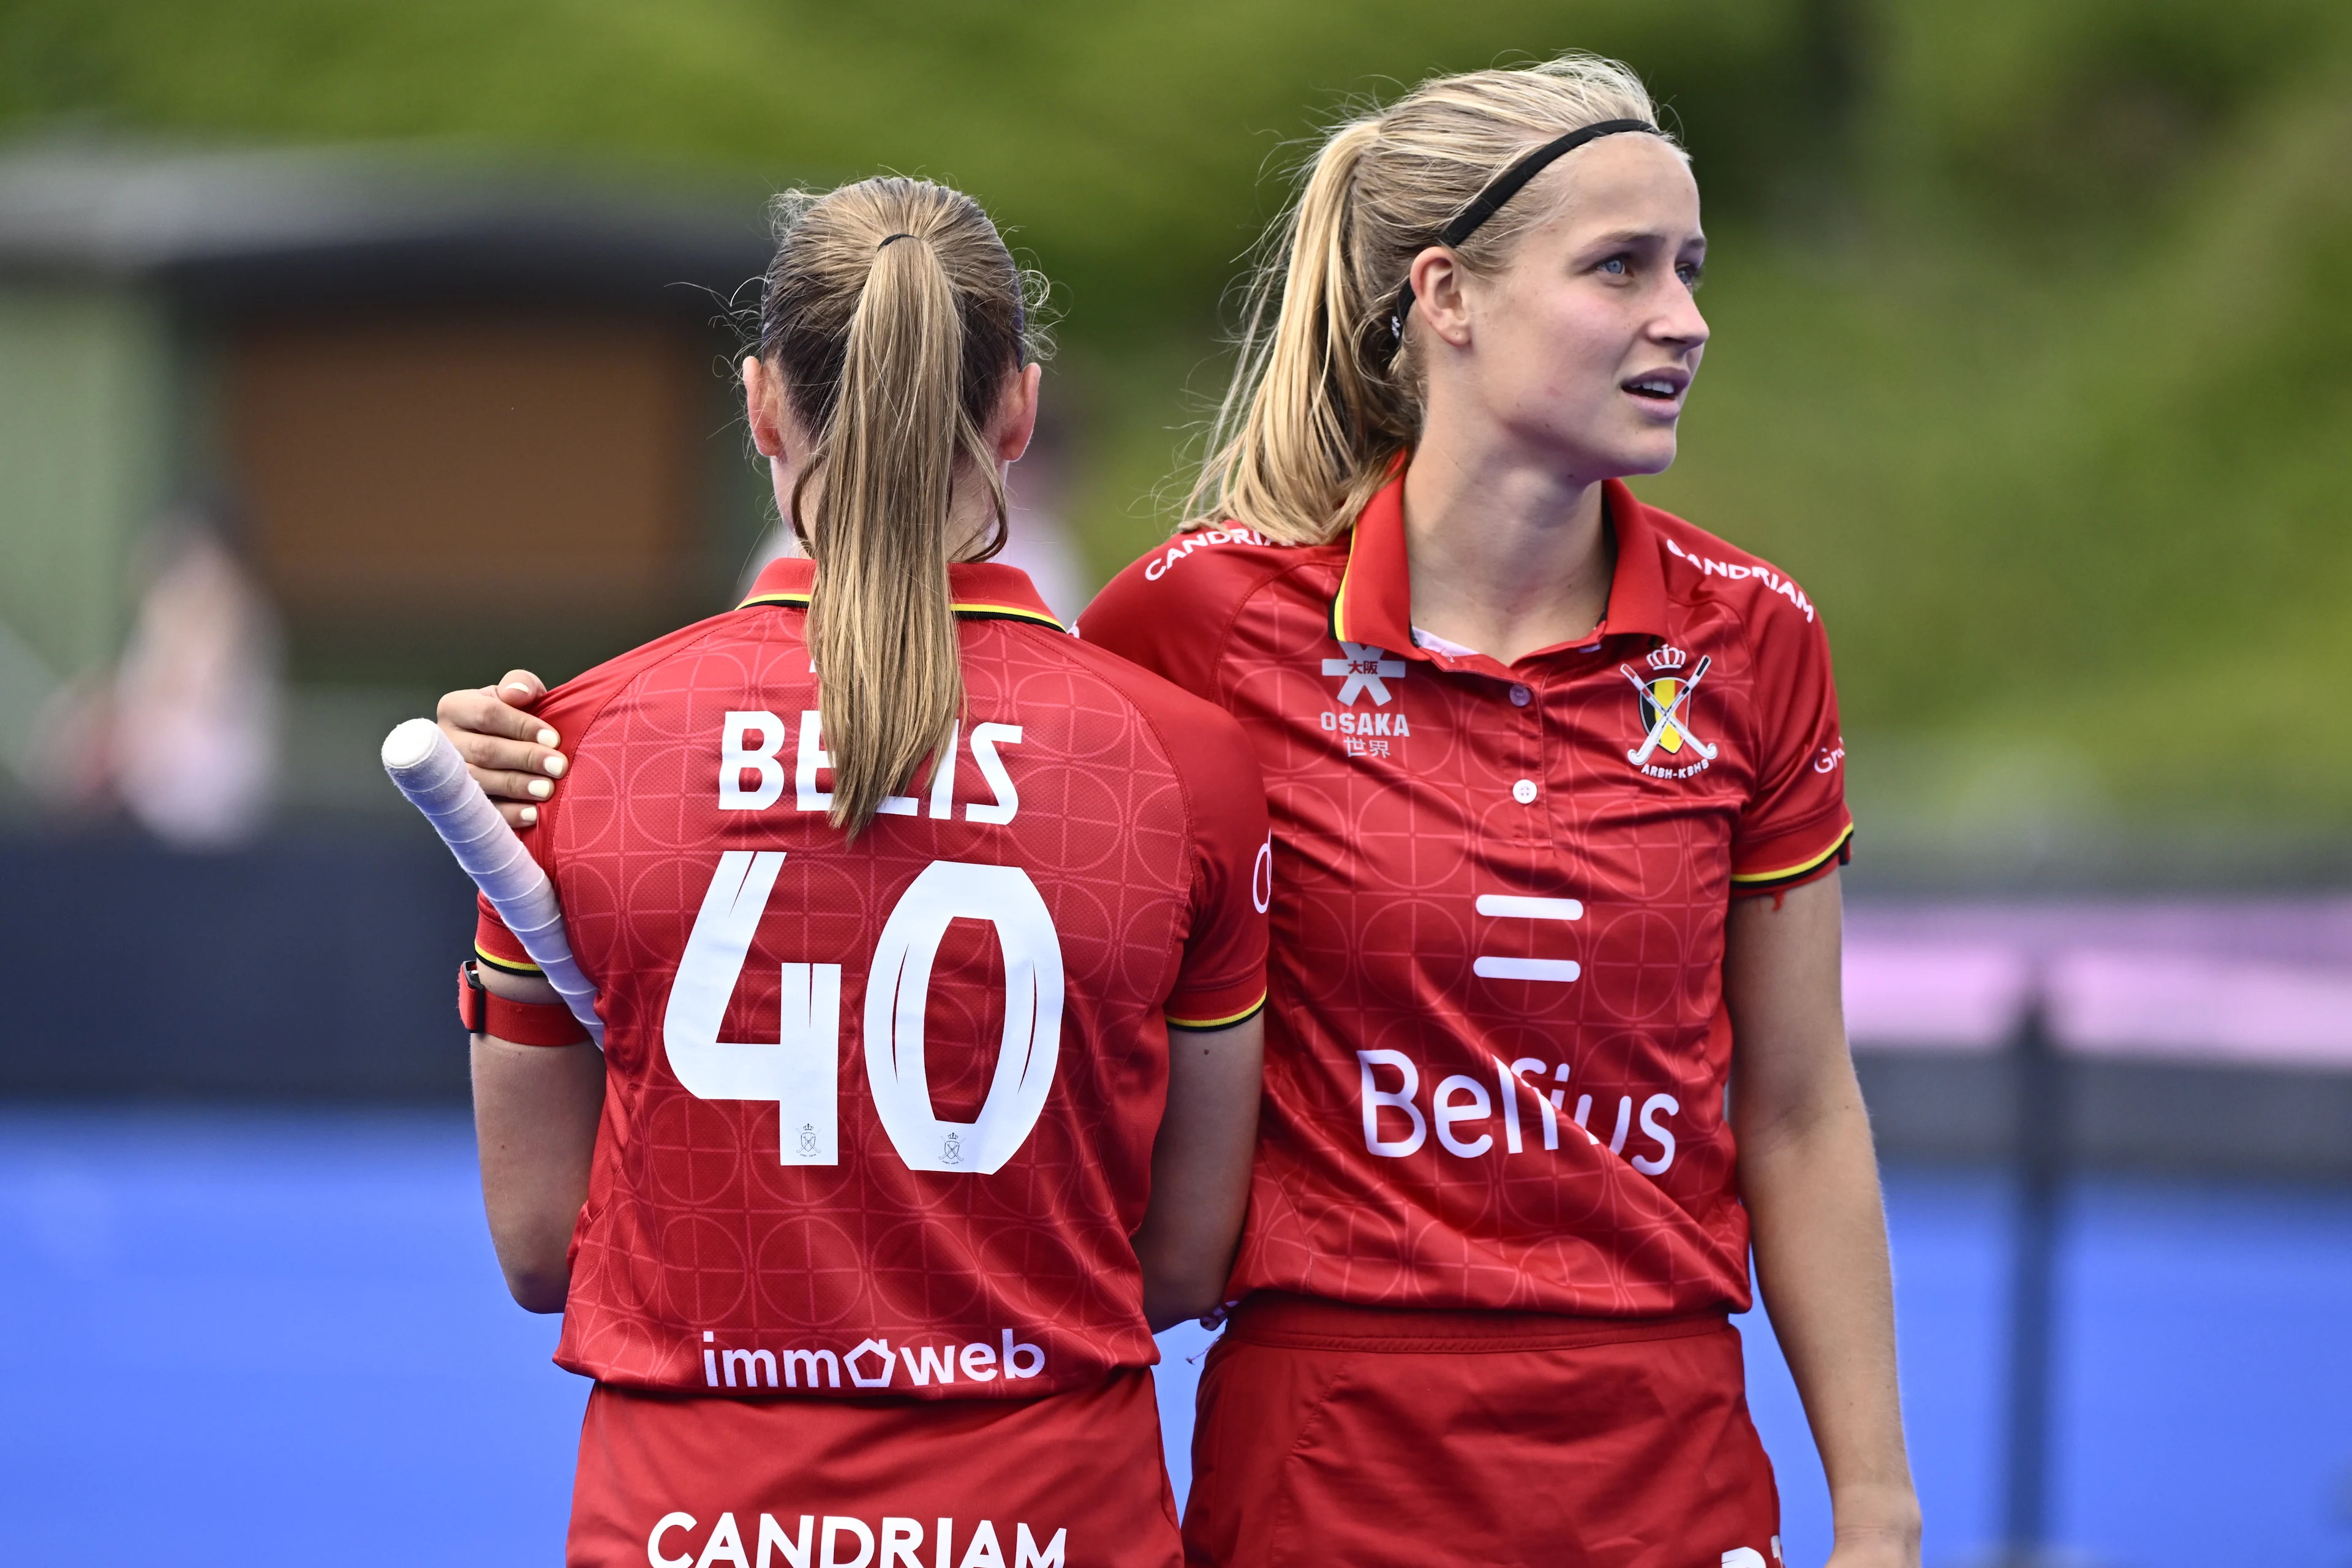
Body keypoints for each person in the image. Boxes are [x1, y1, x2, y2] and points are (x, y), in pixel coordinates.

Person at [443, 55, 1919, 1568]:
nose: (1685, 316)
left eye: (1689, 267)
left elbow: (1800, 1099)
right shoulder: (1195, 632)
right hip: (1310, 1458)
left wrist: (1878, 1505)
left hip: (1660, 1444)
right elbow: (959, 868)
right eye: (1622, 266)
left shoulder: (1754, 637)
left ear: (765, 405)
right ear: (1444, 295)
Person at [454, 174, 1269, 1568]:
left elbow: (541, 1247)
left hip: (686, 1524)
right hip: (1051, 1520)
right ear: (1018, 409)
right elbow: (1187, 1258)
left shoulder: (567, 752)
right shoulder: (1180, 761)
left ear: (763, 403)